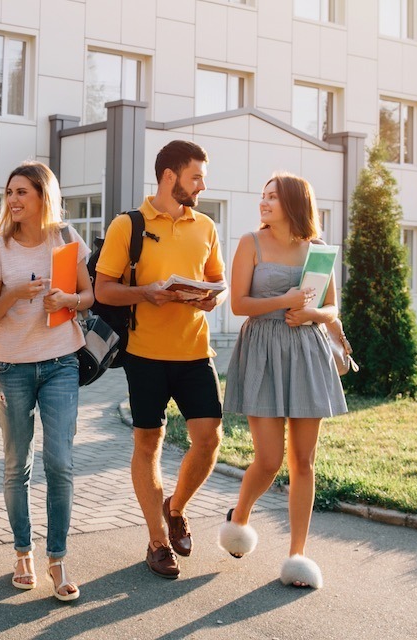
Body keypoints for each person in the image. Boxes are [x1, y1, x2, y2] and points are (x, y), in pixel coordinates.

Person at [93, 140, 226, 579]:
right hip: (144, 355)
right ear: (170, 176)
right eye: (196, 177)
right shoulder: (126, 225)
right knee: (147, 445)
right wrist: (145, 293)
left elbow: (216, 279)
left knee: (208, 440)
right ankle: (157, 541)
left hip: (194, 352)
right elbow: (103, 289)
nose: (202, 185)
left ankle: (177, 508)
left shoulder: (205, 226)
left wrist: (209, 299)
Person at [217, 172, 348, 590]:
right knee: (270, 458)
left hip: (307, 353)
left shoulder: (318, 252)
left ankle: (297, 554)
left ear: (293, 203)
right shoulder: (249, 243)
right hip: (263, 350)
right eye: (263, 196)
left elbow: (332, 307)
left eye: (272, 197)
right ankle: (239, 518)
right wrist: (287, 301)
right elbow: (239, 304)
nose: (264, 202)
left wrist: (311, 314)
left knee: (304, 462)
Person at [0, 161, 94, 601]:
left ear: (43, 196)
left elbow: (89, 295)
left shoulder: (66, 239)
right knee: (16, 465)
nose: (13, 200)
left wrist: (68, 299)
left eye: (22, 192)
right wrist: (15, 294)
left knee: (60, 462)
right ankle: (22, 550)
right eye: (9, 192)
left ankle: (58, 558)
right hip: (12, 367)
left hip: (61, 361)